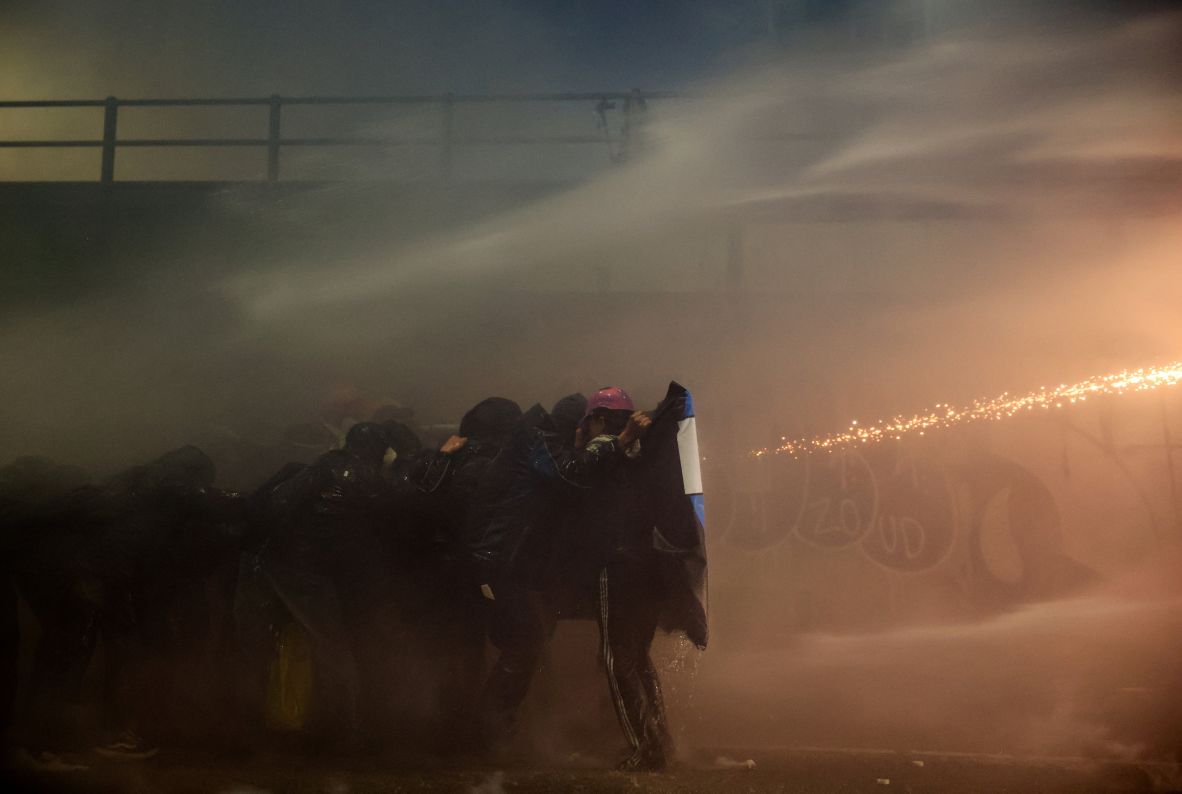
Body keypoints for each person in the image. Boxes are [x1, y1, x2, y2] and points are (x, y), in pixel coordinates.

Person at [458, 394, 587, 753]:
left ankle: (496, 726)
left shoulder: (530, 439)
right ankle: (489, 727)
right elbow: (563, 475)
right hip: (496, 562)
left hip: (504, 563)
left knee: (527, 639)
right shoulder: (535, 442)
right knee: (526, 640)